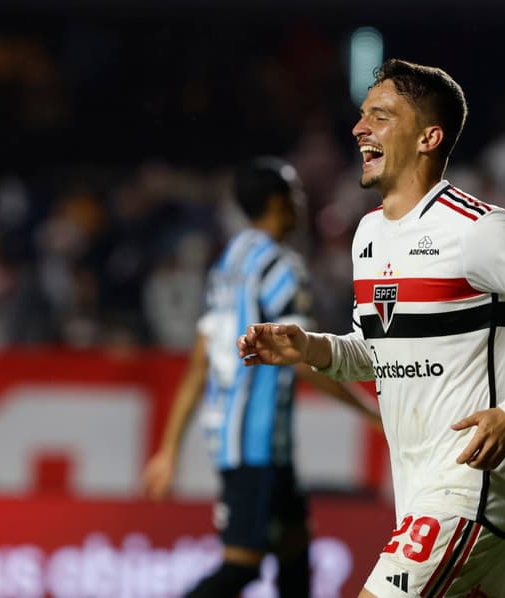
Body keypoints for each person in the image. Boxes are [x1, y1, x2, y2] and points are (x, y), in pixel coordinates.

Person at [238, 60, 505, 597]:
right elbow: (377, 351)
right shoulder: (369, 234)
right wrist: (310, 347)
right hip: (420, 492)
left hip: (469, 490)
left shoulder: (480, 230)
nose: (359, 128)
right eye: (363, 115)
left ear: (429, 137)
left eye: (381, 116)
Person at [142, 157, 380, 598]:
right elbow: (304, 359)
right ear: (278, 202)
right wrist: (368, 411)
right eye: (296, 194)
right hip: (258, 441)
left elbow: (200, 362)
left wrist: (168, 449)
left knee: (295, 557)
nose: (302, 203)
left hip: (239, 437)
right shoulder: (282, 269)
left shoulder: (228, 263)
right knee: (242, 566)